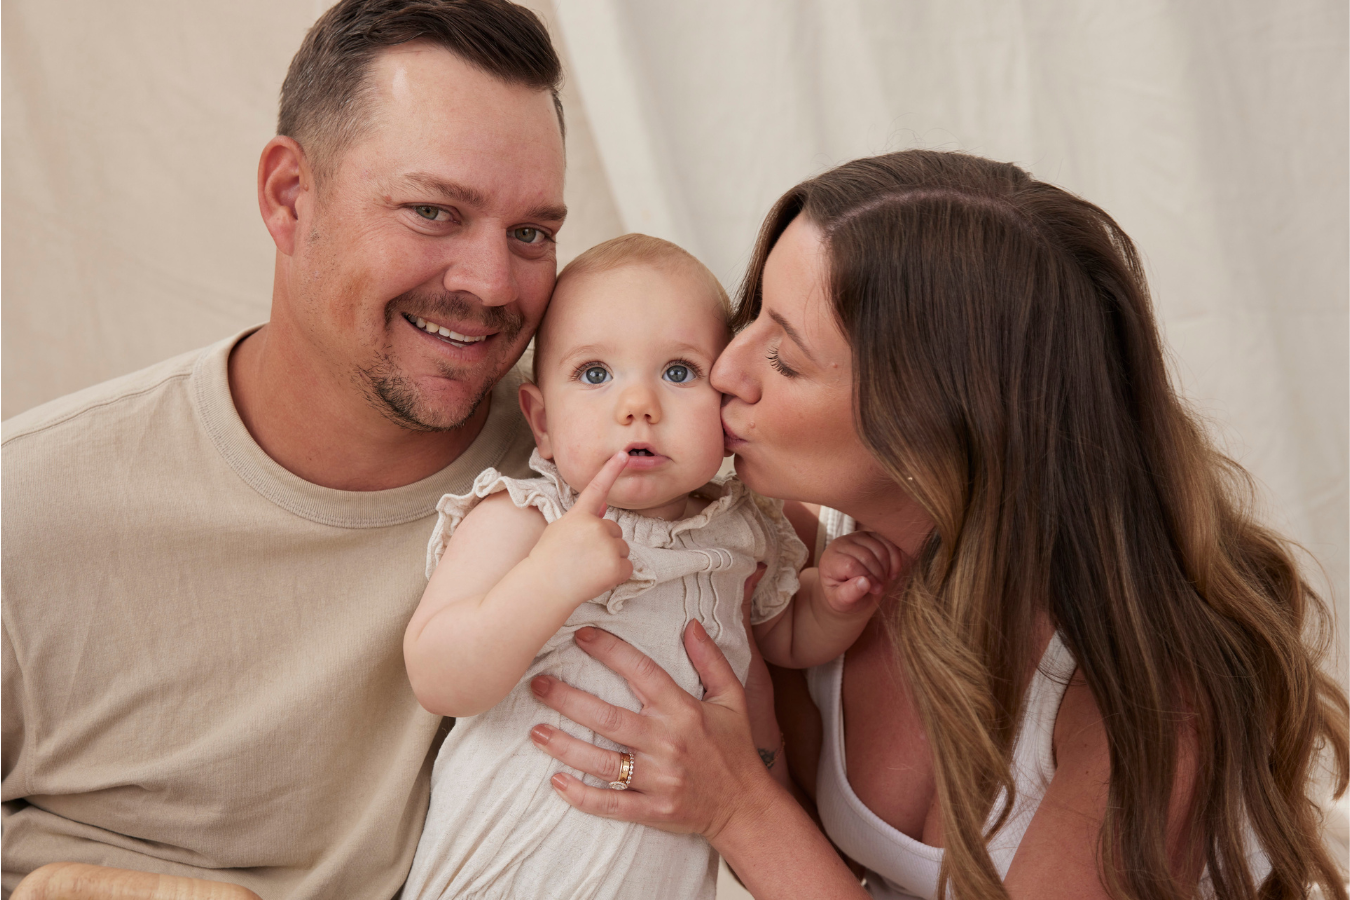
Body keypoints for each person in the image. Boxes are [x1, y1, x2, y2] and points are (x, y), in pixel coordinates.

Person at [523, 150, 1350, 899]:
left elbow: (757, 821)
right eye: (751, 319)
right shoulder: (801, 559)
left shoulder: (1150, 706)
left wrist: (737, 804)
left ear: (935, 424)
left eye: (785, 357)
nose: (724, 371)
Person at [0, 1, 569, 896]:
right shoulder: (27, 506)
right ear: (289, 196)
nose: (492, 284)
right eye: (433, 211)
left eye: (531, 233)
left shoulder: (584, 476)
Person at [399, 234, 904, 899]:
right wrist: (546, 581)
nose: (638, 405)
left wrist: (832, 607)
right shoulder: (525, 516)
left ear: (724, 408)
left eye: (677, 372)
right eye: (595, 374)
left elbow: (778, 641)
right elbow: (439, 675)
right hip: (505, 871)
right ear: (542, 422)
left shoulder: (746, 530)